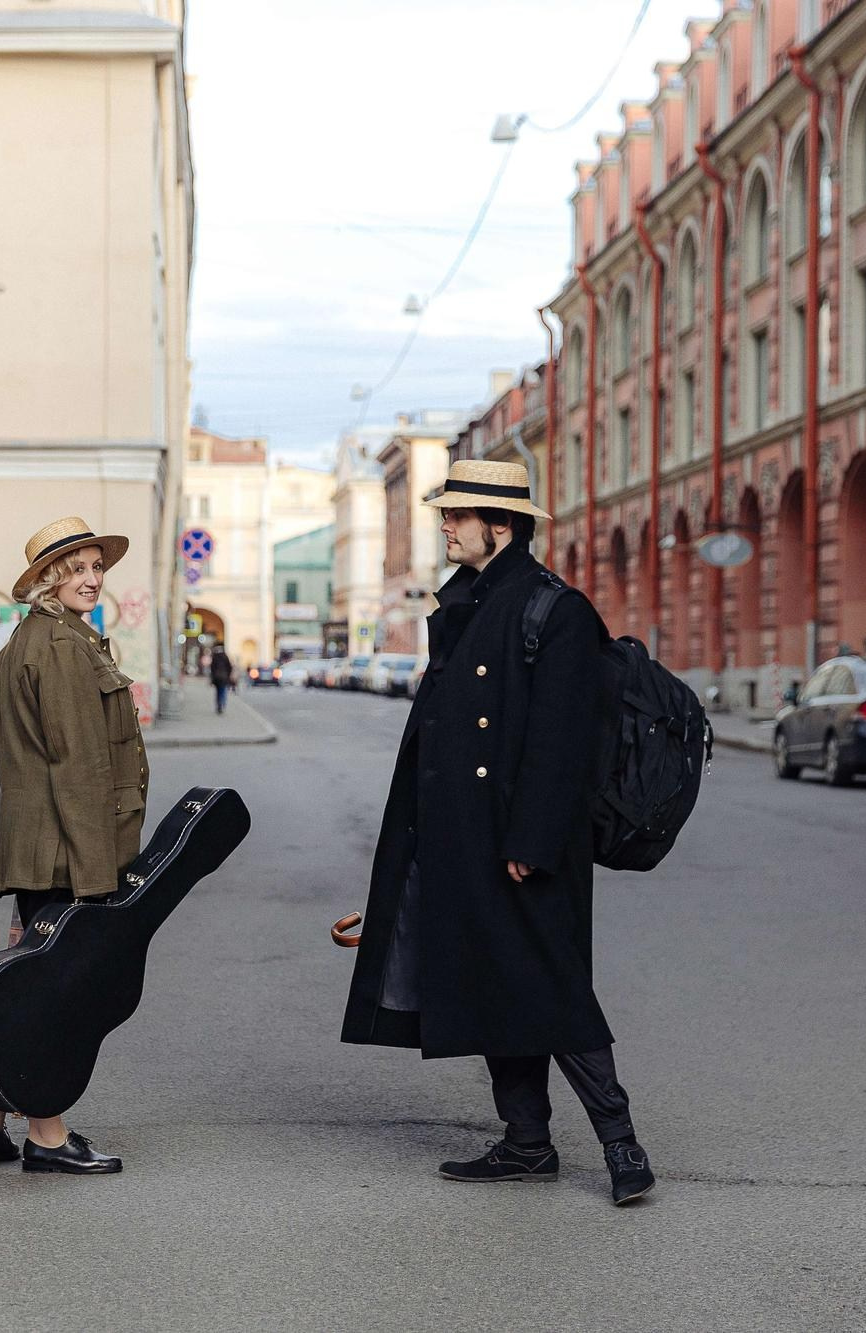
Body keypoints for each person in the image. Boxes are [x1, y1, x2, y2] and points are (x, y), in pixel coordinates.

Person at [339, 459, 656, 1207]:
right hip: (460, 838)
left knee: (550, 987)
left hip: (522, 846)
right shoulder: (471, 603)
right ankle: (525, 1140)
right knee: (493, 987)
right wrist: (406, 868)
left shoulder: (557, 610)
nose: (445, 525)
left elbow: (561, 743)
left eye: (458, 515)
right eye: (445, 513)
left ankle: (620, 1141)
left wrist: (532, 841)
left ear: (501, 525)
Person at [0, 516, 148, 1175]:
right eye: (76, 568)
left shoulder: (30, 639)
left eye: (97, 566)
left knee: (30, 978)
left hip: (37, 845)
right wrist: (100, 872)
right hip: (65, 849)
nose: (92, 578)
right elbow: (79, 768)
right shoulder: (65, 647)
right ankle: (46, 1135)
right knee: (54, 994)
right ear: (48, 579)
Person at [209, 646, 235, 715]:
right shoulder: (225, 657)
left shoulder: (215, 657)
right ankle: (222, 703)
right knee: (223, 691)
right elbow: (230, 667)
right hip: (224, 677)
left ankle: (219, 704)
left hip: (216, 678)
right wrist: (228, 675)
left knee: (218, 692)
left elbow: (212, 669)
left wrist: (212, 678)